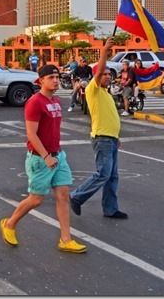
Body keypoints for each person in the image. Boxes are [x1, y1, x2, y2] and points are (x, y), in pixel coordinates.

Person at [0, 64, 87, 253]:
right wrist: (46, 156)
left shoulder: (55, 101)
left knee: (63, 196)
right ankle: (9, 224)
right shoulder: (34, 102)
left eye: (57, 77)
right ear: (41, 81)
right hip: (40, 159)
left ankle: (65, 239)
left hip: (58, 156)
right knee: (36, 199)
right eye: (51, 78)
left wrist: (55, 154)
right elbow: (31, 134)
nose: (55, 80)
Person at [70, 37, 128, 220]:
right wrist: (104, 51)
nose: (108, 76)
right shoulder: (92, 89)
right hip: (101, 139)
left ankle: (110, 209)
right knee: (103, 174)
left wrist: (115, 136)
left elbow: (109, 117)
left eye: (110, 74)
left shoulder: (106, 93)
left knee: (112, 176)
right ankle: (77, 197)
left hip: (110, 138)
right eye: (104, 74)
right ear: (97, 76)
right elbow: (99, 70)